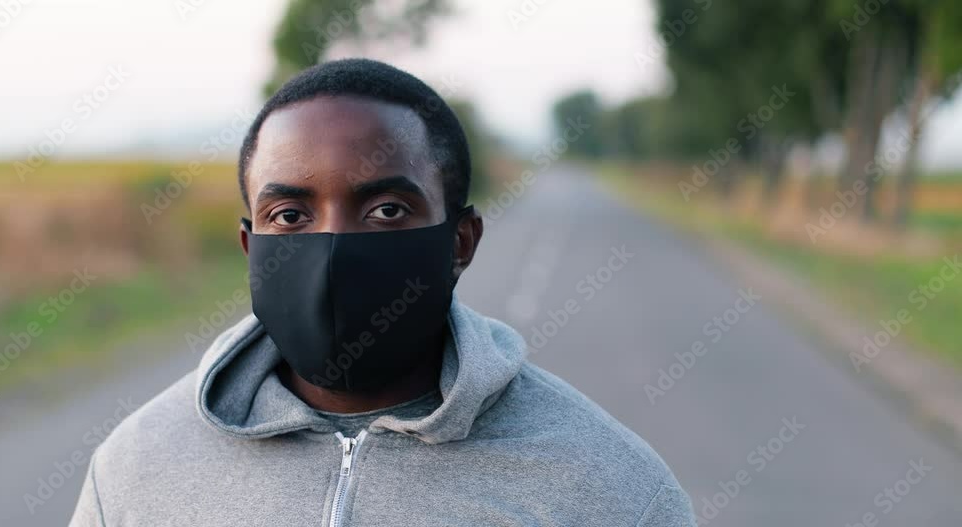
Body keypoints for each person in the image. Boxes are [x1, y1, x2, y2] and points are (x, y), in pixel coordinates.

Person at [69, 58, 696, 526]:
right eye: (290, 215)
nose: (334, 245)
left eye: (387, 210)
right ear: (249, 247)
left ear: (460, 241)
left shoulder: (613, 491)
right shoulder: (133, 474)